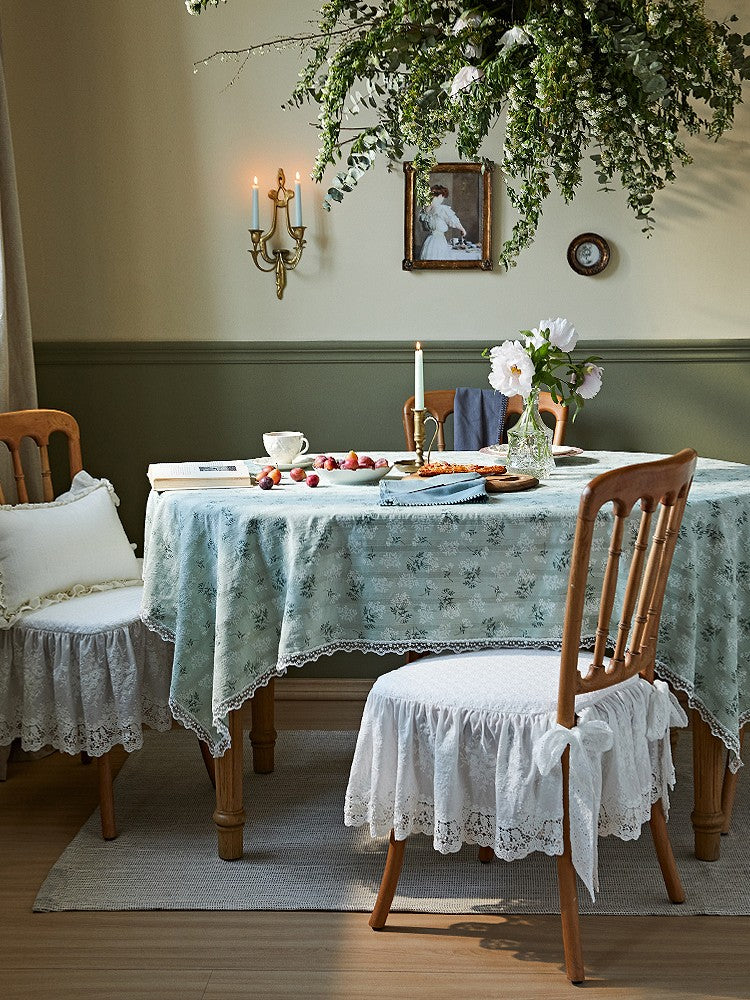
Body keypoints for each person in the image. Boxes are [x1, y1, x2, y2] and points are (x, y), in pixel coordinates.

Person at [419, 184, 467, 260]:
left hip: (429, 242)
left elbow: (425, 226)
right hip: (439, 241)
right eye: (443, 197)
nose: (443, 199)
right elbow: (453, 220)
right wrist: (462, 229)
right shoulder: (441, 209)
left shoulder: (424, 211)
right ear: (440, 195)